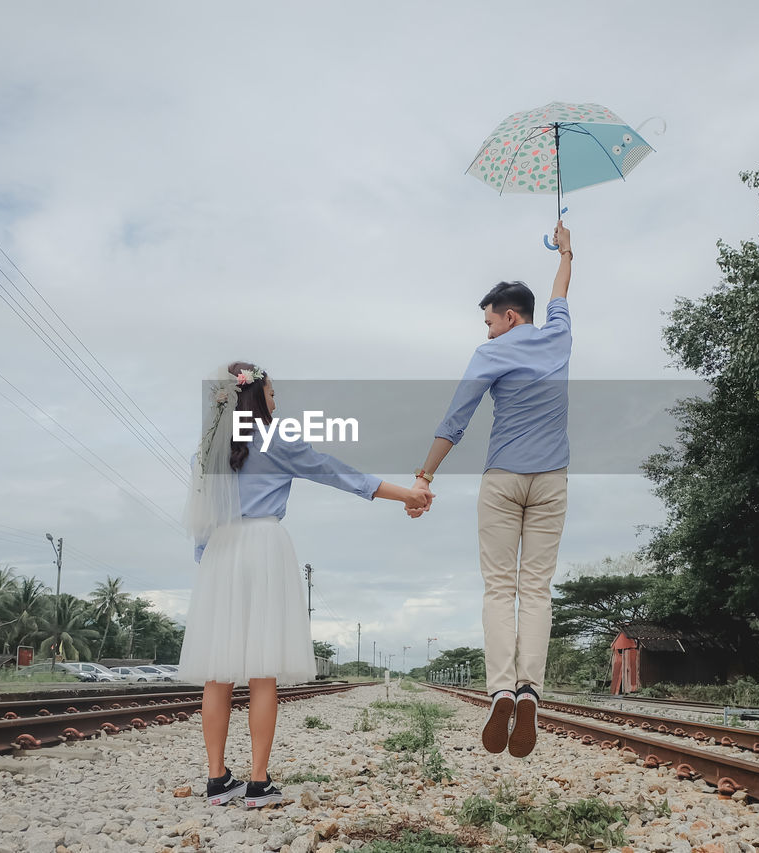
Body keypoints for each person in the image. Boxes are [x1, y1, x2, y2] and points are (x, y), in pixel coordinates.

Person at [178, 361, 432, 808]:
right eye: (273, 395)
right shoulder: (276, 439)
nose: (277, 403)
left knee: (217, 676)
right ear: (255, 396)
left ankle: (217, 779)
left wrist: (209, 562)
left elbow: (202, 515)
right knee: (262, 673)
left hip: (220, 553)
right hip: (263, 546)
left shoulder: (206, 451)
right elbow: (337, 473)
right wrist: (408, 494)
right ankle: (259, 783)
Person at [409, 222, 572, 758]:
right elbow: (561, 293)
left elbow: (455, 419)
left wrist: (425, 476)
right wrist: (566, 250)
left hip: (503, 480)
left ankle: (502, 688)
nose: (487, 332)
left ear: (509, 316)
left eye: (490, 322)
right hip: (552, 481)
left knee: (500, 589)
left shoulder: (490, 356)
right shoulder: (559, 335)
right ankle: (531, 691)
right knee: (537, 589)